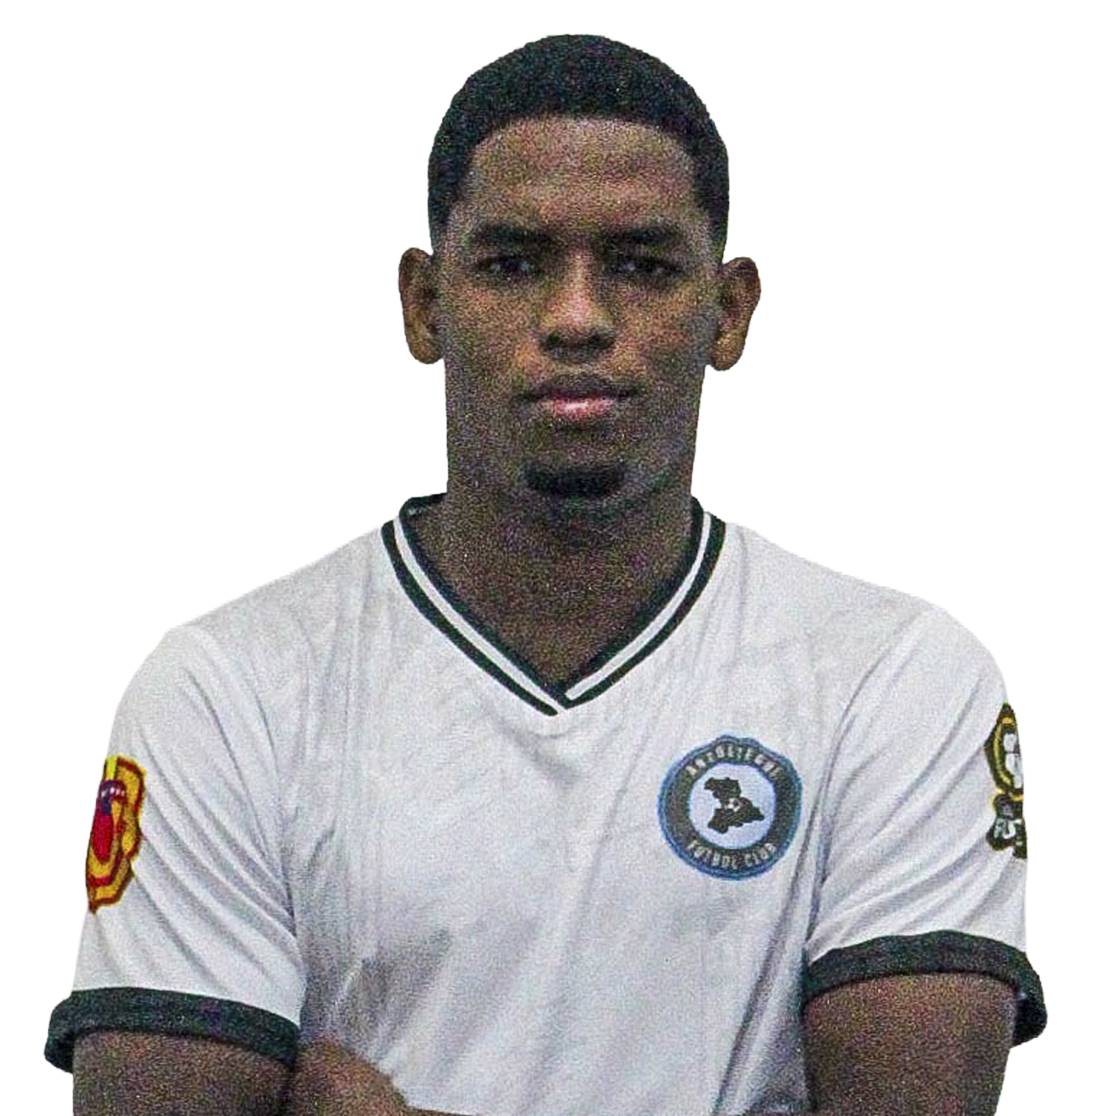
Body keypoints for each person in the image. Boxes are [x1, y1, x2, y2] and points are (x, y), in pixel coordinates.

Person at [44, 33, 1046, 1116]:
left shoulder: (895, 684)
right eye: (514, 263)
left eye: (643, 265)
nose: (577, 318)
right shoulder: (228, 694)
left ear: (729, 311)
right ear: (425, 304)